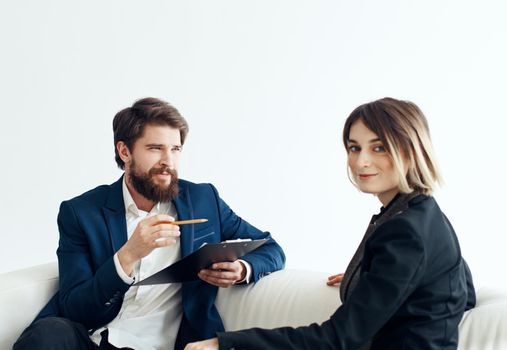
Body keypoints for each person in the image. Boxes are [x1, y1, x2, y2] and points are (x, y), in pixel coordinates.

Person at [185, 97, 476, 350]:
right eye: (354, 147)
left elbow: (337, 339)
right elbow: (463, 292)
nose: (361, 161)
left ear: (410, 151)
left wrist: (227, 342)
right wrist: (372, 278)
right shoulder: (425, 213)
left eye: (379, 148)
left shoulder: (405, 231)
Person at [13, 97, 285, 350]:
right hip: (95, 340)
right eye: (155, 149)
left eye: (175, 149)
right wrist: (129, 254)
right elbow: (75, 307)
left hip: (169, 344)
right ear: (124, 151)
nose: (168, 162)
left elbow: (271, 247)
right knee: (47, 333)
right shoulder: (81, 212)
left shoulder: (204, 199)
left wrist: (242, 269)